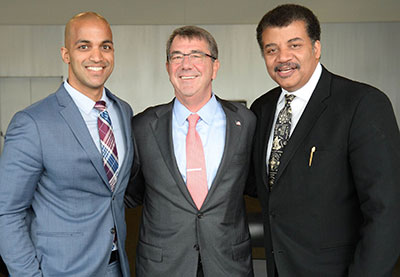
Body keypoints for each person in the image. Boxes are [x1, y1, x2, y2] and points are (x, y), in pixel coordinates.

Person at [248, 4, 400, 277]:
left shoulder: (362, 104)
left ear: (316, 48)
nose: (283, 58)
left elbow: (387, 211)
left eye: (294, 45)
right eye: (272, 49)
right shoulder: (262, 109)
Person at [0, 12, 134, 276]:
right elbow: (7, 213)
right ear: (66, 54)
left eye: (105, 46)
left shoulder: (123, 112)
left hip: (118, 267)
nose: (97, 57)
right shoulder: (32, 123)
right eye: (84, 46)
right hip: (61, 269)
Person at [126, 26, 256, 276]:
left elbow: (254, 184)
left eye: (196, 55)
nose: (186, 65)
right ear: (167, 68)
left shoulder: (246, 123)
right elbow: (131, 192)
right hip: (163, 266)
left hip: (228, 263)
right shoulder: (142, 126)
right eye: (177, 57)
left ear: (214, 67)